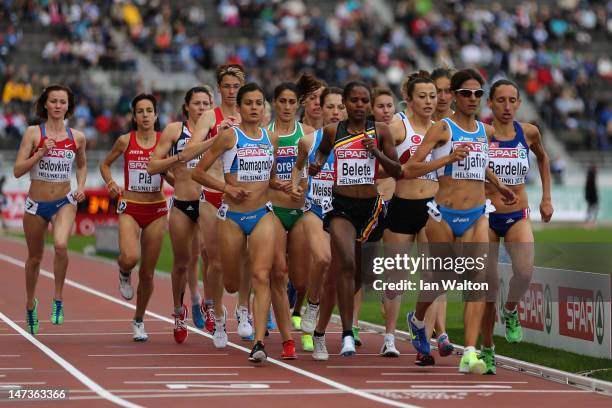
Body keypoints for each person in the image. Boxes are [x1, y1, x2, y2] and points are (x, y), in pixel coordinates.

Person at [402, 69, 516, 374]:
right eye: (466, 93)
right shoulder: (442, 128)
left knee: (478, 278)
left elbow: (480, 165)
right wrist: (447, 160)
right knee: (441, 281)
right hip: (443, 215)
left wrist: (499, 184)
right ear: (452, 95)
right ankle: (417, 318)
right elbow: (411, 168)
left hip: (478, 213)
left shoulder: (485, 131)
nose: (473, 99)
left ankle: (469, 352)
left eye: (478, 94)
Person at [191, 83, 284, 362]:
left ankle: (258, 343)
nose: (255, 108)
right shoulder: (229, 137)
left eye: (259, 103)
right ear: (240, 108)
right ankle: (219, 315)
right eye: (249, 103)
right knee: (230, 282)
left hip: (262, 214)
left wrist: (283, 186)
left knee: (260, 275)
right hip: (231, 215)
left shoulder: (272, 139)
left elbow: (271, 177)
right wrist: (226, 188)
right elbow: (198, 172)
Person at [310, 81, 401, 356]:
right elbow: (324, 151)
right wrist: (317, 165)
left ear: (370, 105)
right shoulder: (332, 131)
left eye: (364, 101)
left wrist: (375, 152)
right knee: (346, 264)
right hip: (341, 207)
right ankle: (348, 334)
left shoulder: (381, 131)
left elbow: (397, 170)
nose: (359, 105)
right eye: (354, 101)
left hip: (371, 210)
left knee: (361, 277)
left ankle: (322, 330)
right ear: (346, 104)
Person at [479, 79, 553, 374]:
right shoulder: (481, 134)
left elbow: (544, 158)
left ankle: (509, 310)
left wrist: (546, 198)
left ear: (519, 103)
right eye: (501, 100)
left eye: (512, 100)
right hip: (485, 215)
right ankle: (487, 349)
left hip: (517, 212)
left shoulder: (529, 132)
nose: (507, 106)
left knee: (524, 272)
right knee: (488, 286)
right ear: (491, 103)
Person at [147, 86, 226, 346]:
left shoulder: (222, 129)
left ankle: (210, 305)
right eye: (197, 103)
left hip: (209, 203)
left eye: (207, 103)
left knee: (210, 256)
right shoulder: (174, 131)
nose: (202, 108)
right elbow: (152, 166)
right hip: (182, 203)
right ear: (187, 106)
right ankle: (179, 313)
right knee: (182, 262)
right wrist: (178, 160)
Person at [182, 65, 254, 341]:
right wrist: (217, 136)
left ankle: (244, 310)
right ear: (219, 88)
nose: (232, 91)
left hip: (245, 195)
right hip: (213, 196)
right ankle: (219, 318)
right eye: (226, 86)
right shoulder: (210, 115)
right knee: (216, 262)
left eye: (236, 86)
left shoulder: (253, 111)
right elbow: (189, 152)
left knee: (247, 257)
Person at [13, 85, 87, 334]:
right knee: (34, 258)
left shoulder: (77, 137)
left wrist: (81, 186)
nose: (57, 106)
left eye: (62, 102)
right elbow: (18, 170)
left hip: (64, 201)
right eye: (53, 101)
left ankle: (57, 300)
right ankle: (30, 303)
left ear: (68, 106)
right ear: (45, 104)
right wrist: (39, 154)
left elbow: (82, 166)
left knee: (61, 246)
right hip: (36, 204)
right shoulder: (34, 133)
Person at [100, 93, 167, 341]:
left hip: (157, 209)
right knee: (130, 257)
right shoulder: (125, 140)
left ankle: (138, 320)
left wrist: (169, 174)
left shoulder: (163, 141)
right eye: (141, 111)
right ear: (135, 117)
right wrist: (110, 183)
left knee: (148, 273)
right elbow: (105, 164)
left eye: (149, 110)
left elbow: (170, 174)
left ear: (156, 115)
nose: (146, 115)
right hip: (130, 206)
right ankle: (124, 271)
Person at [292, 86, 346, 360]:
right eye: (330, 107)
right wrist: (295, 185)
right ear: (320, 109)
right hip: (314, 208)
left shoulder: (355, 143)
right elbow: (298, 165)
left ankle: (321, 335)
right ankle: (311, 306)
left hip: (344, 214)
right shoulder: (309, 141)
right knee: (322, 260)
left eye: (340, 107)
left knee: (336, 281)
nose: (336, 112)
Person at [268, 82, 315, 352]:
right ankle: (288, 339)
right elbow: (257, 177)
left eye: (291, 102)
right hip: (273, 209)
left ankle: (300, 312)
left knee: (300, 280)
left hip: (300, 210)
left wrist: (304, 186)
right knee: (279, 272)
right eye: (282, 101)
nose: (287, 107)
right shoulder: (265, 135)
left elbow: (320, 171)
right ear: (274, 103)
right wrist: (274, 184)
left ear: (298, 105)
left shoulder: (308, 134)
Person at [289, 72, 327, 334]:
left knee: (317, 264)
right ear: (303, 102)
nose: (317, 103)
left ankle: (301, 311)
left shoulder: (331, 132)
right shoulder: (294, 131)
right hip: (285, 202)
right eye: (312, 98)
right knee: (286, 268)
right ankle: (282, 309)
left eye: (321, 98)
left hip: (315, 205)